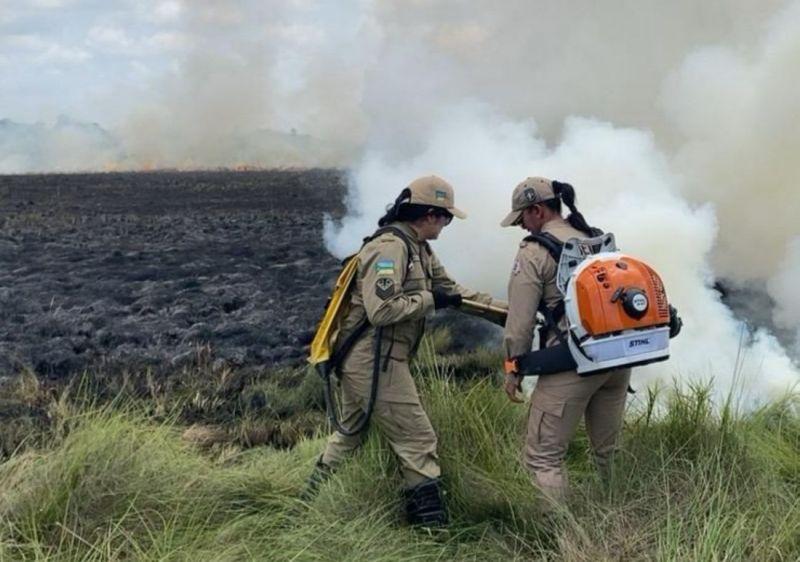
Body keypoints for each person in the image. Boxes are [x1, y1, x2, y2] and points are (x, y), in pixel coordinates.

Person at [306, 175, 505, 527]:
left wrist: (507, 313)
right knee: (417, 439)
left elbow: (454, 291)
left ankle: (305, 506)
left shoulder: (419, 249)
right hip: (374, 360)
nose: (446, 225)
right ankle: (431, 532)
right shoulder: (390, 249)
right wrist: (430, 300)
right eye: (444, 217)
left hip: (376, 359)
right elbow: (381, 311)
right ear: (428, 214)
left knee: (351, 433)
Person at [500, 177, 633, 511]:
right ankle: (624, 517)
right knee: (608, 450)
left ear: (537, 210)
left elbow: (520, 321)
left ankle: (552, 540)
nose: (521, 228)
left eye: (521, 219)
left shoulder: (534, 251)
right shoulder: (595, 237)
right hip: (616, 362)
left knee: (543, 457)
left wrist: (513, 367)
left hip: (572, 364)